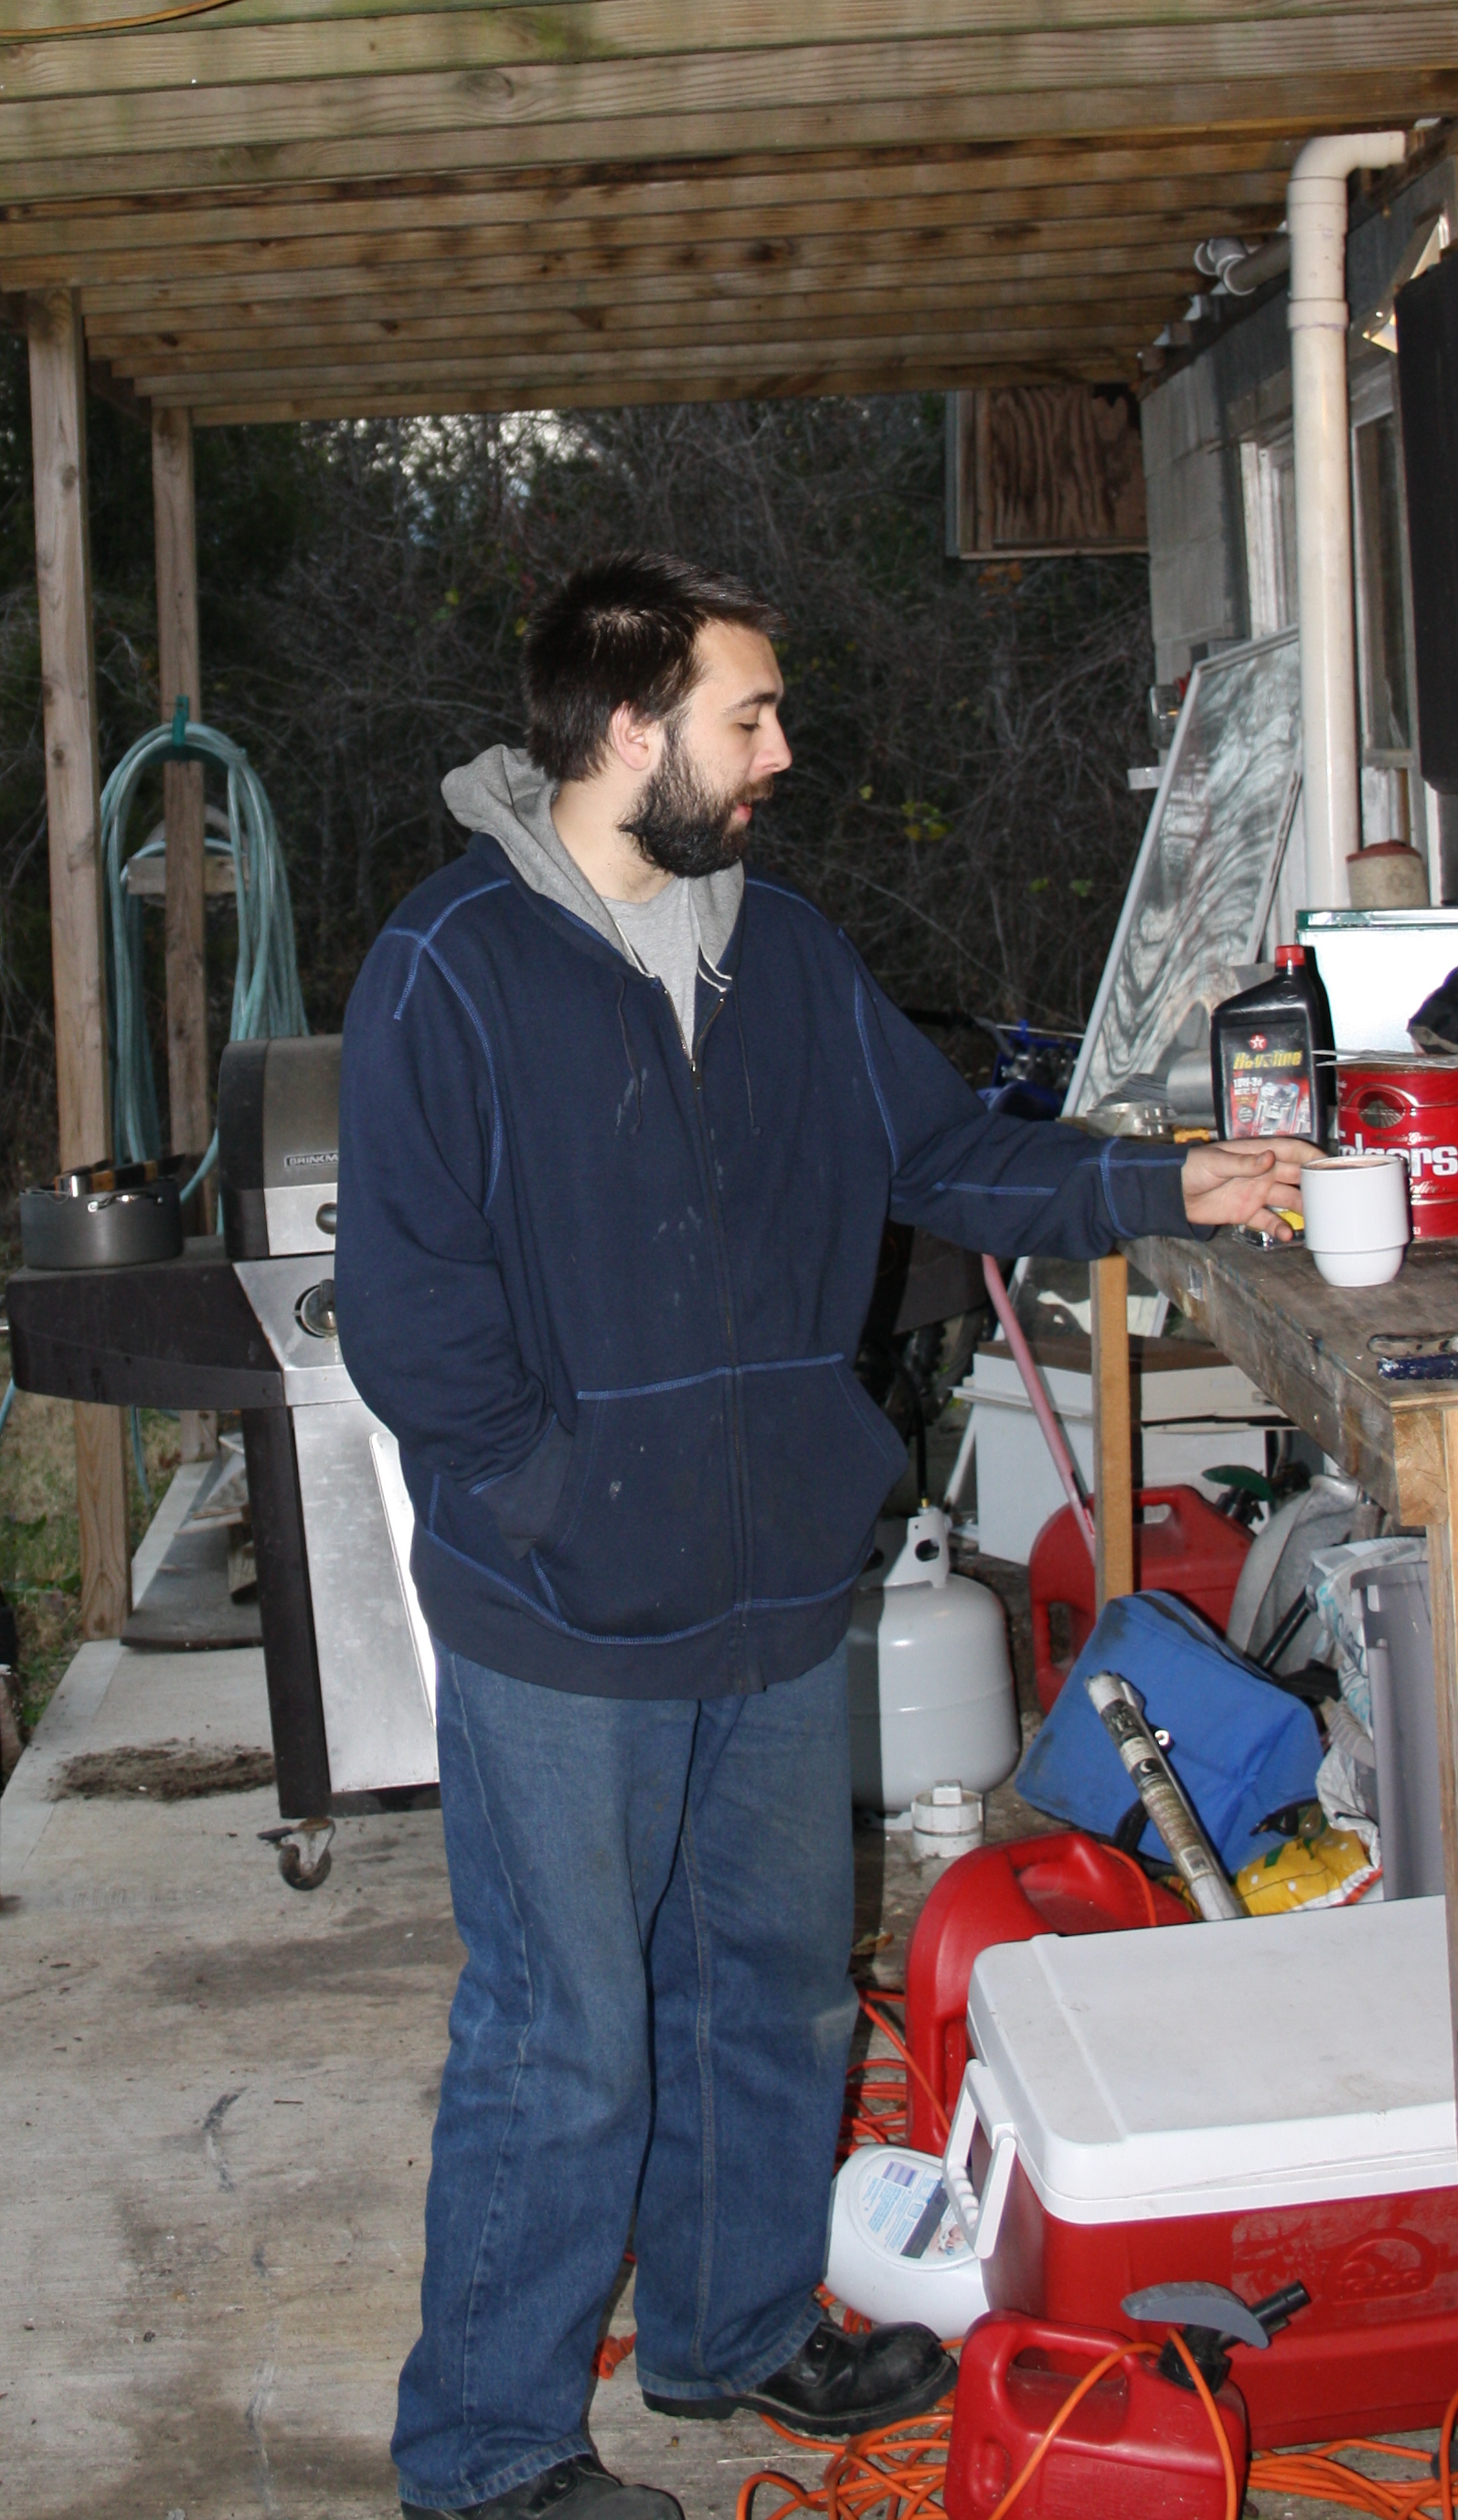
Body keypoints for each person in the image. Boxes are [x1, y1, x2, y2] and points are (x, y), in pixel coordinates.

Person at [335, 552, 1315, 2520]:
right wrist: (549, 1500)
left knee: (772, 1990)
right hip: (562, 1616)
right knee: (565, 2039)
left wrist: (1169, 1183)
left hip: (778, 1593)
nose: (782, 750)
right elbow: (412, 1316)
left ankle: (730, 2329)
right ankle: (491, 2453)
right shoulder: (451, 966)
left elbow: (945, 1156)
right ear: (631, 730)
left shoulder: (780, 951)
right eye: (749, 715)